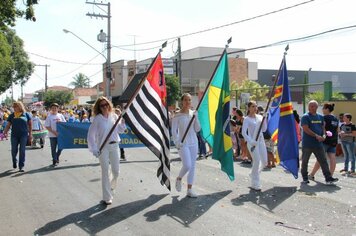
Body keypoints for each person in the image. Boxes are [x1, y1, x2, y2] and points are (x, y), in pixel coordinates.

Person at [87, 97, 126, 205]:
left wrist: (122, 123)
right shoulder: (97, 119)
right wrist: (94, 149)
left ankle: (111, 186)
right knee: (105, 171)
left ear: (109, 105)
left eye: (106, 105)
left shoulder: (114, 116)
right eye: (102, 105)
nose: (105, 107)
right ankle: (107, 197)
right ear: (98, 107)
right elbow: (91, 135)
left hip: (115, 146)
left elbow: (120, 130)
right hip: (103, 148)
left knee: (116, 171)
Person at [300, 100, 338, 184]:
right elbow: (306, 129)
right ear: (308, 107)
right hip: (308, 144)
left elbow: (323, 128)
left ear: (317, 107)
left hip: (318, 144)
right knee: (305, 161)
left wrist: (324, 136)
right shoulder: (305, 117)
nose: (313, 108)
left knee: (323, 161)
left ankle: (328, 178)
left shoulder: (320, 117)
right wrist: (316, 135)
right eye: (312, 106)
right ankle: (305, 178)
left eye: (315, 106)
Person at [172, 93, 201, 198]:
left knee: (192, 167)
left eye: (189, 100)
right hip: (183, 143)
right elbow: (174, 131)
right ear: (182, 102)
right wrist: (176, 142)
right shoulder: (177, 115)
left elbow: (197, 129)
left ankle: (189, 189)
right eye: (185, 100)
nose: (188, 102)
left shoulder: (193, 114)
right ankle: (179, 178)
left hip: (194, 143)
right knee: (187, 165)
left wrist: (196, 118)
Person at [242, 101, 267, 191]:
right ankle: (255, 183)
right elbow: (243, 132)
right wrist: (251, 141)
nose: (255, 108)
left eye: (256, 106)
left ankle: (253, 173)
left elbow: (264, 129)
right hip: (252, 143)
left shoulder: (260, 117)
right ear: (249, 108)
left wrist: (265, 119)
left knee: (265, 162)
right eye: (253, 106)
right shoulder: (246, 119)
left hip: (261, 141)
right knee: (257, 161)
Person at [3, 101, 32, 172]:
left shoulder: (26, 115)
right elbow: (8, 125)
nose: (15, 108)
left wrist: (30, 134)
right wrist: (5, 132)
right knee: (14, 150)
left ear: (20, 107)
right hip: (14, 136)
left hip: (24, 135)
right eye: (14, 106)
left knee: (22, 151)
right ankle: (14, 161)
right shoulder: (12, 115)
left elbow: (30, 125)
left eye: (16, 106)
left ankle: (21, 166)